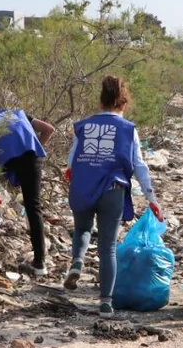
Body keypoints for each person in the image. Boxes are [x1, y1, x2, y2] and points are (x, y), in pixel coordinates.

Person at [63, 76, 162, 316]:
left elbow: (70, 162)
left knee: (82, 229)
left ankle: (77, 260)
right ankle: (106, 302)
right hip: (112, 190)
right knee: (107, 247)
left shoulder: (82, 126)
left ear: (100, 102)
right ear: (123, 104)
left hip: (82, 187)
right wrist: (151, 198)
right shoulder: (128, 129)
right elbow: (139, 165)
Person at [0, 103, 55, 277]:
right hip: (31, 158)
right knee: (33, 207)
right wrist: (33, 148)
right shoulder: (18, 113)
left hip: (8, 158)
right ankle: (40, 264)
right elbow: (48, 129)